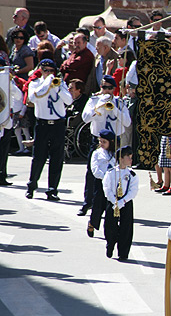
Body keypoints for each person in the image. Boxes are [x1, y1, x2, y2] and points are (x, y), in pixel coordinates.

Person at [78, 75, 132, 215]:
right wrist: (98, 108)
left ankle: (114, 203)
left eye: (109, 88)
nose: (106, 91)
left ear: (114, 89)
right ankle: (87, 203)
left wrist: (114, 109)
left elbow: (127, 123)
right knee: (92, 172)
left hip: (115, 142)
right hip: (98, 141)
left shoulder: (119, 102)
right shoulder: (94, 100)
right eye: (104, 87)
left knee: (116, 173)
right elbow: (85, 118)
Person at [25, 59, 73, 200]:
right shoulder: (35, 84)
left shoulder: (60, 84)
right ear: (40, 71)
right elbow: (32, 98)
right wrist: (46, 83)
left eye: (51, 71)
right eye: (45, 70)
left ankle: (52, 189)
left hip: (57, 124)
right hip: (43, 124)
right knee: (39, 157)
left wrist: (57, 88)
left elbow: (69, 100)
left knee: (56, 158)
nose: (48, 73)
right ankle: (32, 185)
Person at [103, 145, 138, 260]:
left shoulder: (132, 174)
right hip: (113, 201)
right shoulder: (111, 172)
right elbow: (107, 188)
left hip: (125, 201)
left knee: (126, 228)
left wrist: (123, 201)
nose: (131, 159)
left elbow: (133, 191)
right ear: (121, 158)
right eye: (128, 157)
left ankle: (123, 252)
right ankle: (110, 244)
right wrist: (114, 201)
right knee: (110, 225)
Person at [86, 129, 116, 239]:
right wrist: (106, 177)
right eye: (100, 141)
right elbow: (95, 169)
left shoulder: (116, 154)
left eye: (104, 142)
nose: (101, 144)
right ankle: (92, 223)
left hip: (112, 184)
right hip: (100, 182)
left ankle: (110, 230)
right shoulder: (96, 153)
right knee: (98, 205)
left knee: (110, 206)